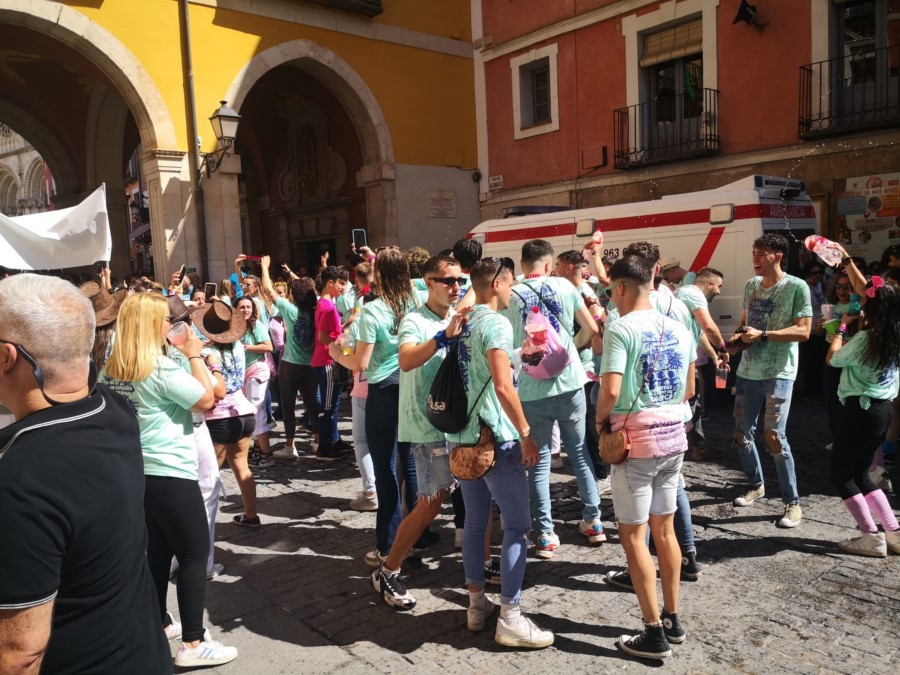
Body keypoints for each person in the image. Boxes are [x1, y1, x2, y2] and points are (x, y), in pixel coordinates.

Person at [0, 274, 171, 674]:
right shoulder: (114, 410)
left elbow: (18, 654)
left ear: (7, 357)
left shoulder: (18, 482)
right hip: (145, 657)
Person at [100, 293, 238, 668]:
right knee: (193, 553)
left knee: (158, 552)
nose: (170, 326)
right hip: (169, 470)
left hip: (135, 470)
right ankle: (193, 642)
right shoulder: (159, 368)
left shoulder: (112, 368)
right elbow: (206, 400)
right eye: (165, 320)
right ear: (150, 325)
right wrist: (194, 355)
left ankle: (157, 622)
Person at [595, 255, 696, 660]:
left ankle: (653, 633)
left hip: (635, 443)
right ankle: (672, 618)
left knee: (634, 536)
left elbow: (610, 391)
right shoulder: (679, 326)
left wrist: (600, 422)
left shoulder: (620, 329)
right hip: (673, 438)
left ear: (620, 288)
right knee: (665, 531)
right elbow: (689, 389)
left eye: (611, 291)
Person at [453, 257, 552, 648]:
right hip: (495, 437)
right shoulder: (495, 323)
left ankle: (476, 605)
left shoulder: (463, 321)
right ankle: (510, 616)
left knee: (476, 523)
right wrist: (526, 433)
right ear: (497, 283)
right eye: (510, 283)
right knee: (517, 526)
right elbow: (502, 386)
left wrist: (515, 356)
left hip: (463, 437)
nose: (512, 291)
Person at [361, 255, 470, 609]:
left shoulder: (457, 315)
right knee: (430, 503)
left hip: (460, 425)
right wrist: (442, 338)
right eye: (448, 281)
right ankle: (388, 569)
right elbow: (406, 360)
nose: (456, 287)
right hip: (426, 426)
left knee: (475, 497)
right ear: (429, 283)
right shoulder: (414, 320)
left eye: (459, 280)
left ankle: (479, 570)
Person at [503, 239, 602, 559]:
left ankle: (545, 534)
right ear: (549, 264)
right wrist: (568, 346)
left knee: (539, 460)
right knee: (579, 452)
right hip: (570, 381)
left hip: (532, 389)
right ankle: (594, 521)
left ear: (522, 264)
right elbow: (591, 328)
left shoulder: (511, 293)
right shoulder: (564, 285)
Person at [331, 248, 430, 566]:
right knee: (411, 465)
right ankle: (417, 536)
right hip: (412, 385)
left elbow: (359, 362)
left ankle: (388, 544)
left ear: (380, 276)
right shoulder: (418, 300)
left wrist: (335, 353)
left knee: (385, 468)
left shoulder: (373, 310)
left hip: (384, 390)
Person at [725, 233, 812, 528]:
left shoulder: (797, 286)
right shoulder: (751, 285)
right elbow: (744, 325)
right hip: (748, 371)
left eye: (761, 253)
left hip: (779, 371)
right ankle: (755, 485)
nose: (755, 258)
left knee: (774, 435)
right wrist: (732, 345)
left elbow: (804, 331)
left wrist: (762, 335)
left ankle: (792, 502)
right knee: (741, 434)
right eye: (754, 252)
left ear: (778, 256)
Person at [826, 268, 900, 557]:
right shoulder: (894, 336)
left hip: (860, 410)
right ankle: (893, 532)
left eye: (865, 299)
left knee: (843, 475)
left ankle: (871, 536)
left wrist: (842, 328)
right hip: (883, 411)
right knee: (863, 474)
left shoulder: (867, 339)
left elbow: (833, 359)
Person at [194, 300, 260, 527]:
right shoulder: (239, 346)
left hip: (219, 418)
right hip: (244, 412)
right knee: (242, 465)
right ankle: (251, 515)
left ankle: (204, 526)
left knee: (211, 474)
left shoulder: (205, 354)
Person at [260, 258, 319, 457]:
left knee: (288, 406)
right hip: (310, 365)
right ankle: (318, 441)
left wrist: (264, 268)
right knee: (312, 405)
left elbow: (268, 291)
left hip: (291, 364)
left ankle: (290, 445)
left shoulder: (290, 310)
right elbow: (310, 287)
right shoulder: (315, 311)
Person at [674, 267, 728, 461]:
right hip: (680, 359)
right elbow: (709, 326)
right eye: (718, 286)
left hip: (681, 357)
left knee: (691, 400)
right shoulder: (694, 294)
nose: (719, 291)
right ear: (709, 284)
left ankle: (698, 445)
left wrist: (714, 356)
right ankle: (690, 446)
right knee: (690, 400)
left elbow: (699, 332)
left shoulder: (683, 293)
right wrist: (723, 348)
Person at [313, 265, 353, 460]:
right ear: (330, 283)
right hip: (327, 361)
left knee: (332, 404)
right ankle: (324, 448)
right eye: (341, 284)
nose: (343, 288)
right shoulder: (328, 307)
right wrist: (340, 346)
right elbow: (322, 336)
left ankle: (334, 441)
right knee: (328, 407)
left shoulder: (325, 303)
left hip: (330, 360)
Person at [236, 297, 275, 467]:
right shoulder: (235, 326)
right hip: (244, 374)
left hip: (257, 371)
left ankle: (267, 455)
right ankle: (258, 449)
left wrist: (245, 347)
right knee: (251, 412)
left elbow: (268, 347)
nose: (245, 310)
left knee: (257, 413)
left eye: (248, 307)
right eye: (242, 307)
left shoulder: (256, 325)